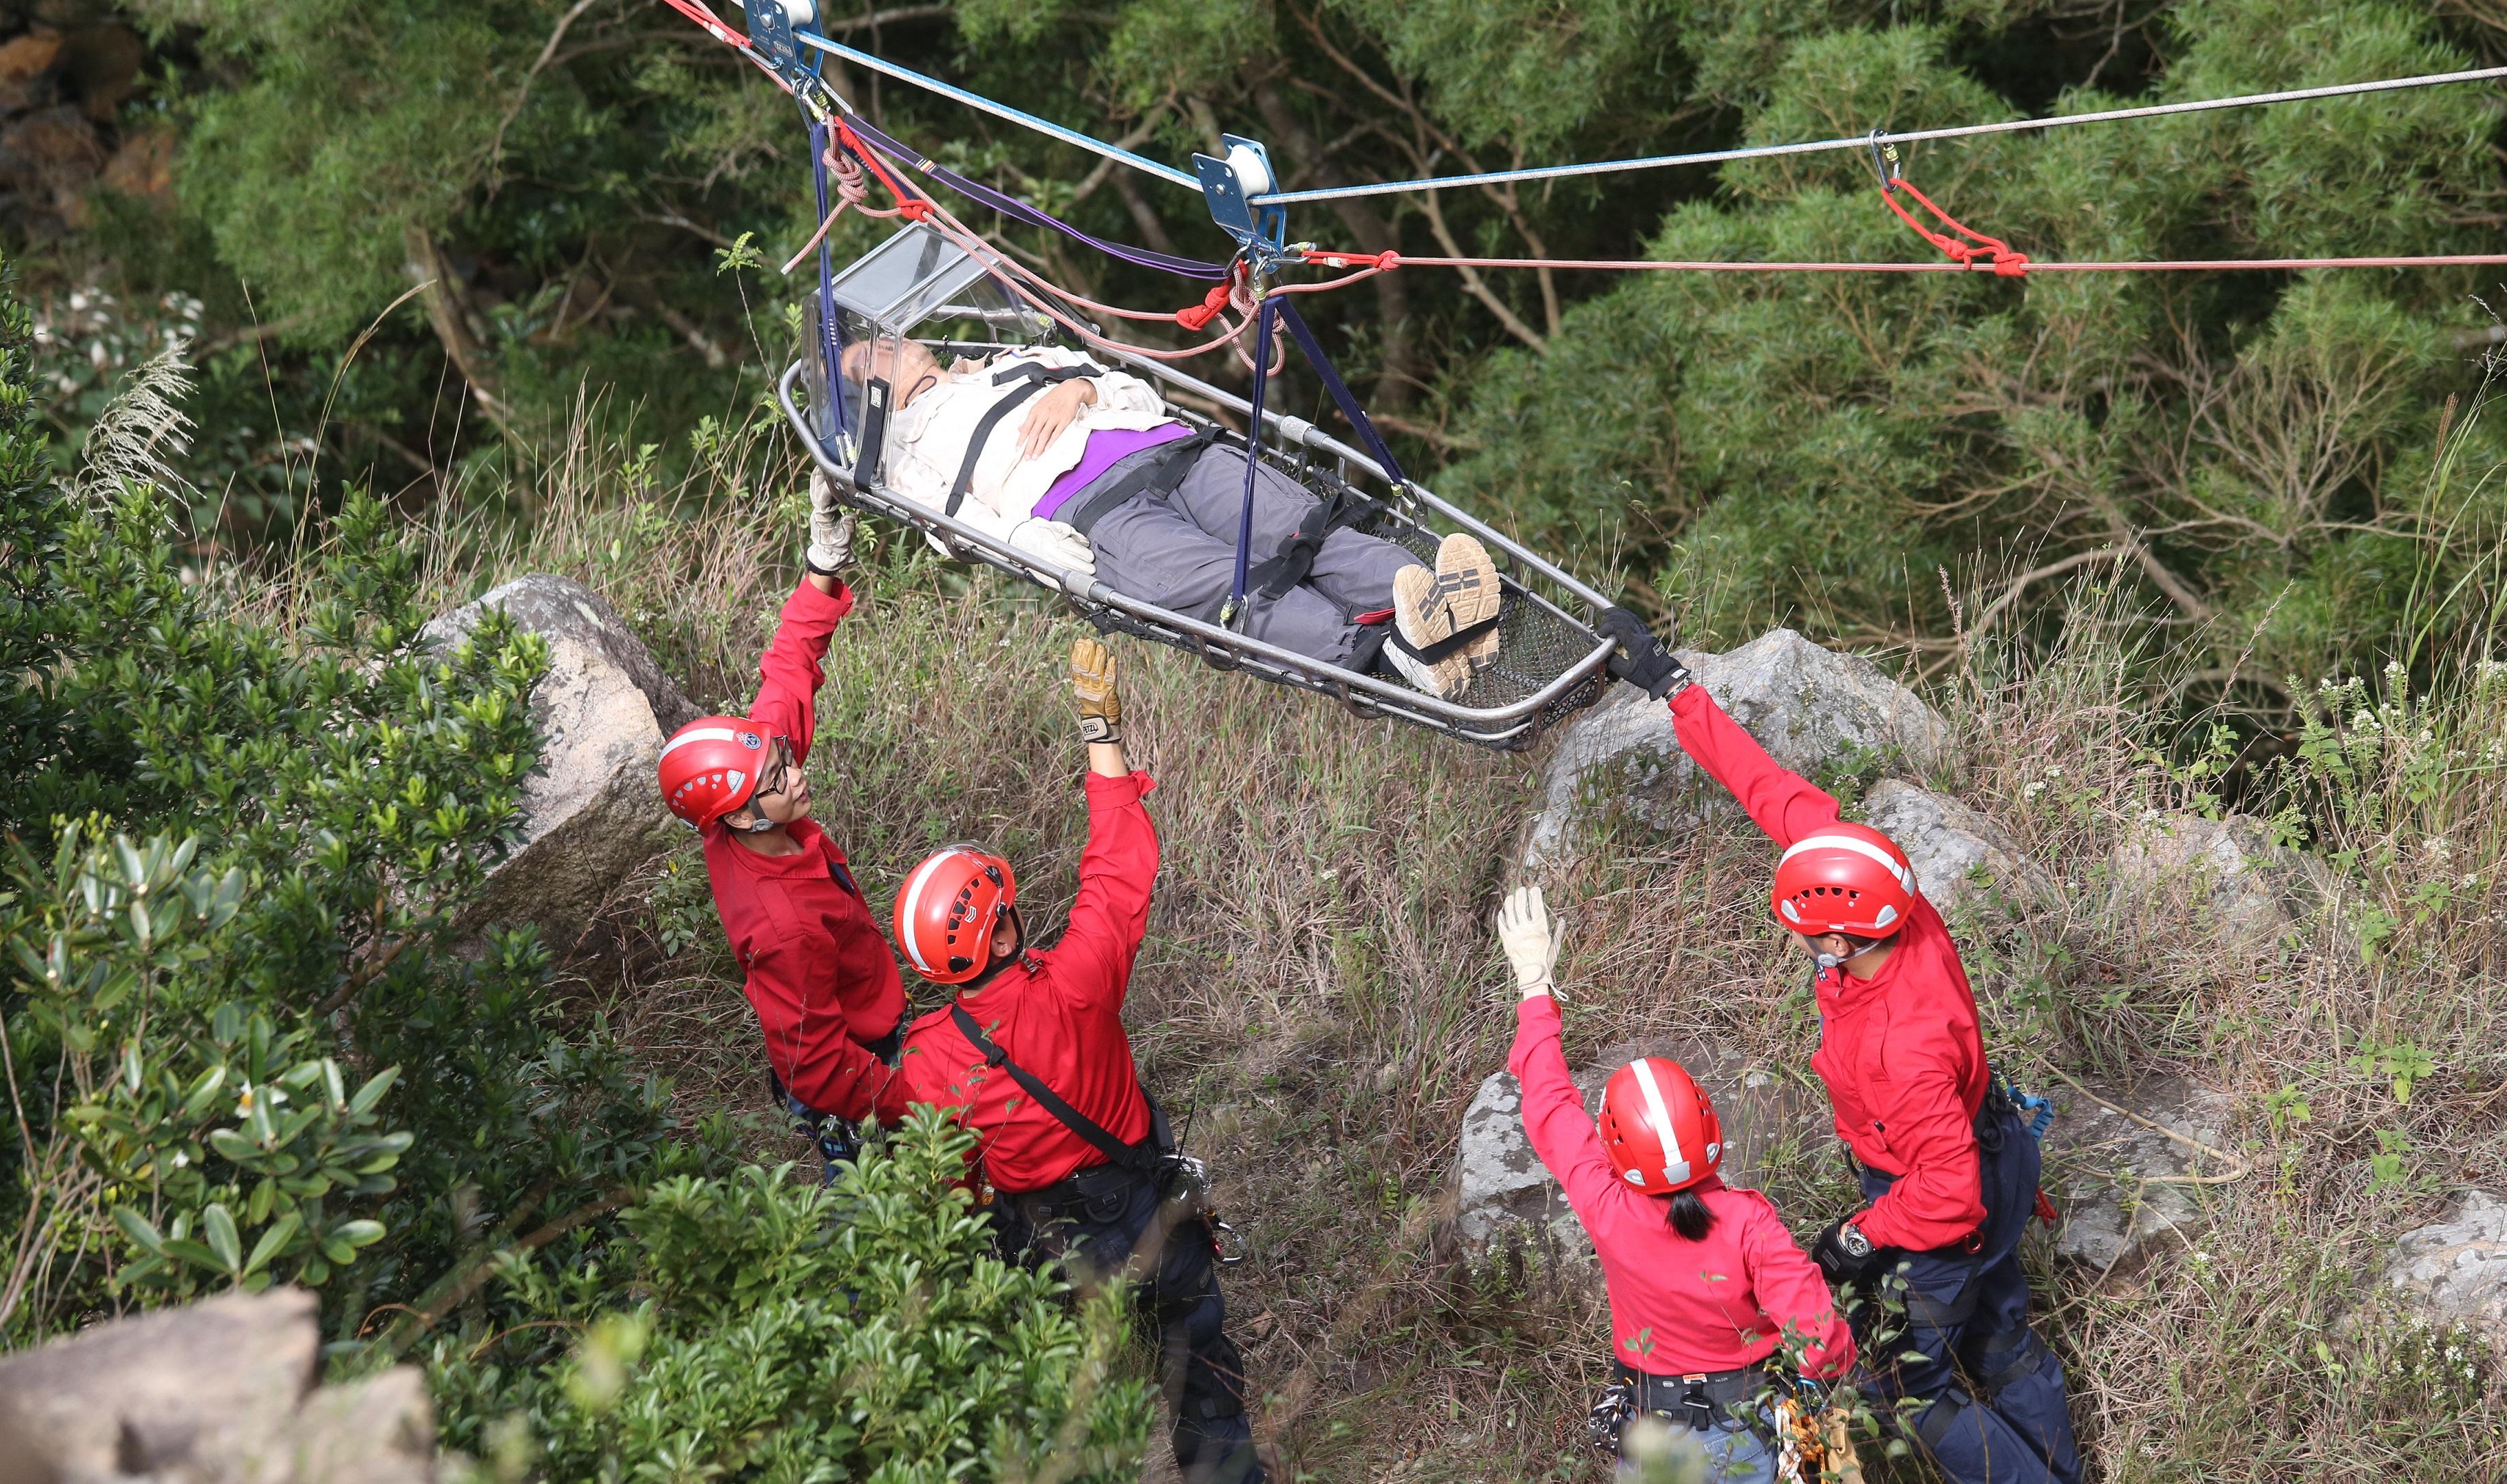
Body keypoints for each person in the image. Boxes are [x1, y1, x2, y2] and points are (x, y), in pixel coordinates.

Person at [1597, 609, 2082, 1484]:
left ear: (1838, 940)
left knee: (1912, 1389)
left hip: (1942, 1198)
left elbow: (1950, 1198)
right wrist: (1679, 692)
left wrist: (1864, 1234)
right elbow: (1778, 797)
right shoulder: (1887, 895)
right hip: (1993, 1141)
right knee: (2004, 1334)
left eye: (1808, 939)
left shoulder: (1903, 1048)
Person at [891, 638, 1261, 1484]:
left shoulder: (928, 1061)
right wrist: (1102, 729)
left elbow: (954, 1180)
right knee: (1200, 1366)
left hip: (1047, 1242)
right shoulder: (1078, 984)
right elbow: (1119, 865)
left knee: (1073, 1407)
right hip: (1149, 1209)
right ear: (1006, 930)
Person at [842, 333, 1501, 700]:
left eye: (882, 336)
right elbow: (955, 531)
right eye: (866, 357)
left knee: (1303, 530)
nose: (886, 343)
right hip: (1094, 512)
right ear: (867, 394)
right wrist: (1034, 548)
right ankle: (1396, 661)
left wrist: (1080, 387)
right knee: (1232, 591)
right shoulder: (905, 453)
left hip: (1171, 451)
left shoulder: (1015, 361)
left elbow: (1133, 387)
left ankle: (1440, 605)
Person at [1492, 884, 1854, 1479]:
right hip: (1754, 1429)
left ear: (1614, 1147)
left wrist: (1534, 989)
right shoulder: (1747, 1222)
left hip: (1651, 1433)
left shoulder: (1605, 1203)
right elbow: (1821, 1345)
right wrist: (1823, 1429)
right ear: (1710, 1125)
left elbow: (1550, 1104)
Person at [654, 478, 909, 1146]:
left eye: (783, 760)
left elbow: (788, 669)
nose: (796, 774)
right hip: (855, 1072)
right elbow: (820, 1068)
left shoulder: (746, 794)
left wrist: (821, 567)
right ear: (738, 817)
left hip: (861, 1018)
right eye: (778, 775)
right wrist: (913, 1100)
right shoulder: (783, 928)